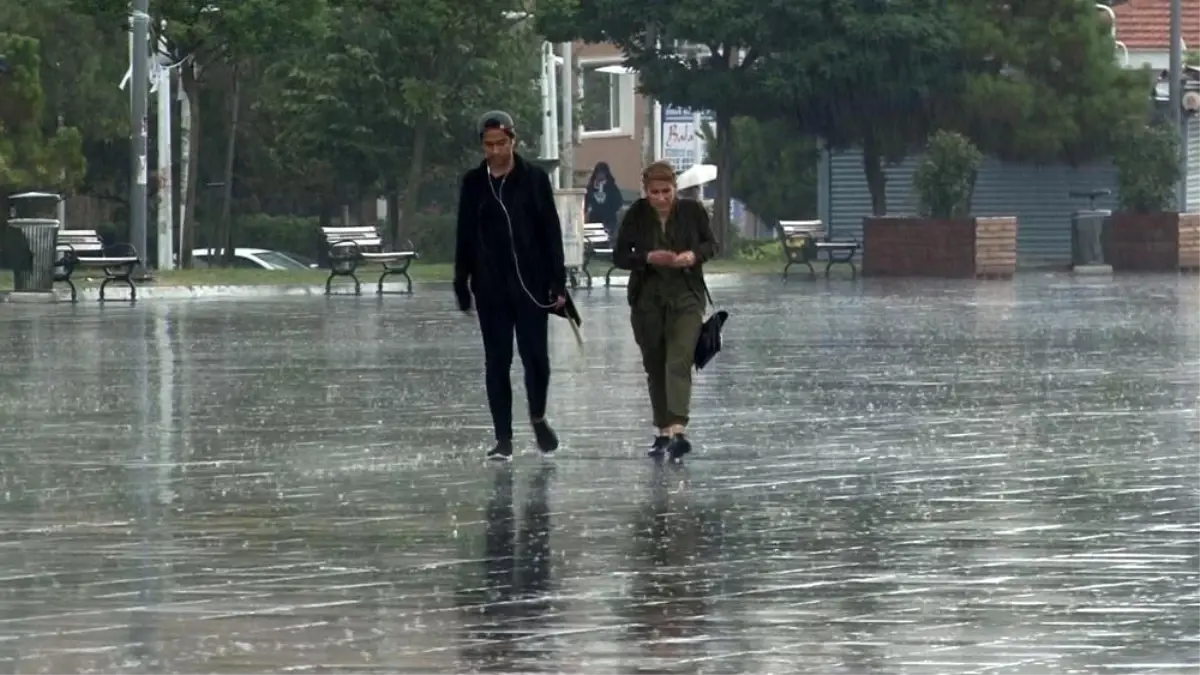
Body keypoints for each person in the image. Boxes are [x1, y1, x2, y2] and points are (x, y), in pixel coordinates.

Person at [454, 110, 568, 461]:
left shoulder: (534, 179)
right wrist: (462, 279)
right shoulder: (474, 183)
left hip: (531, 283)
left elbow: (550, 231)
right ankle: (502, 438)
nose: (495, 151)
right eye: (488, 145)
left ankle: (537, 416)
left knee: (536, 357)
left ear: (513, 141)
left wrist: (557, 281)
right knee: (497, 361)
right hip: (491, 285)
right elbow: (465, 233)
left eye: (501, 143)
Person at [613, 161, 718, 460]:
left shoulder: (692, 211)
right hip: (647, 300)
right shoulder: (636, 214)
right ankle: (662, 431)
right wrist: (647, 257)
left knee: (679, 358)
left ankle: (678, 429)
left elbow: (712, 245)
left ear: (675, 188)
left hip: (687, 296)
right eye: (654, 192)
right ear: (645, 191)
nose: (661, 198)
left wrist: (692, 255)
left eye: (666, 191)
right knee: (655, 364)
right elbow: (620, 254)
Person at [584, 161, 625, 237]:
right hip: (594, 221)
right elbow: (585, 204)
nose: (600, 175)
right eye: (598, 173)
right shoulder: (590, 188)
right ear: (595, 174)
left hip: (609, 221)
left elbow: (618, 203)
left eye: (602, 173)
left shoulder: (612, 187)